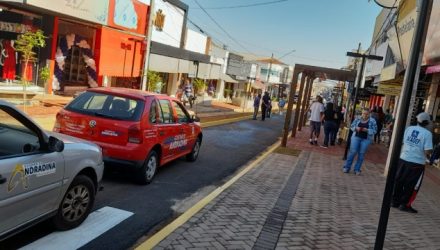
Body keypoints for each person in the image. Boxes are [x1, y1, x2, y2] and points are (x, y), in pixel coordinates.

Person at [392, 112, 433, 213]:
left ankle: (394, 201)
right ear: (426, 122)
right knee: (412, 184)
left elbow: (403, 141)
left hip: (403, 158)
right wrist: (429, 155)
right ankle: (404, 204)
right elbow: (427, 150)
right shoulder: (427, 134)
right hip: (417, 162)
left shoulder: (409, 128)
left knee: (399, 180)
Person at [342, 108, 377, 175]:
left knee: (361, 154)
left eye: (367, 114)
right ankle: (347, 167)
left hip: (366, 139)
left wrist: (367, 130)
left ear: (369, 114)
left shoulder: (372, 121)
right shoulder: (358, 118)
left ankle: (357, 169)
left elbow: (375, 130)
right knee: (353, 152)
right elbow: (352, 126)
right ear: (362, 113)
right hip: (356, 137)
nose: (365, 115)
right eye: (363, 113)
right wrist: (356, 128)